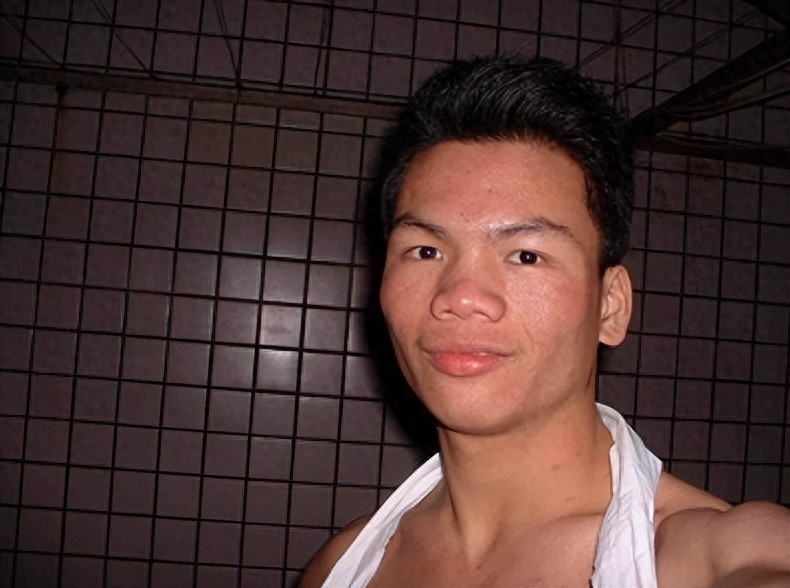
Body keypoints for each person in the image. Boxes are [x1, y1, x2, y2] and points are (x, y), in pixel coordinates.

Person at [300, 56, 790, 587]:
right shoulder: (344, 567)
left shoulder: (706, 556)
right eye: (425, 251)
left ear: (610, 306)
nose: (460, 297)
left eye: (526, 255)